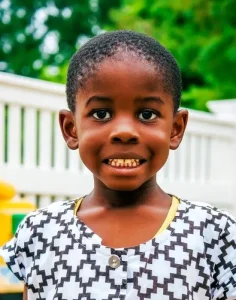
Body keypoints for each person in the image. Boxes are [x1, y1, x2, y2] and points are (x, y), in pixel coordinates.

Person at [1, 30, 236, 300]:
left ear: (176, 129)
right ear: (71, 128)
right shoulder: (40, 232)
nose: (124, 131)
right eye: (101, 114)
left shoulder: (215, 233)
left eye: (147, 114)